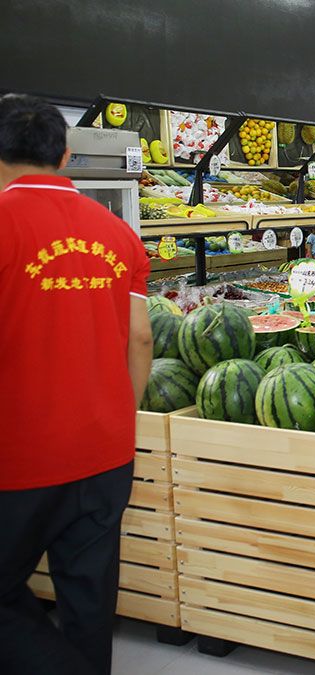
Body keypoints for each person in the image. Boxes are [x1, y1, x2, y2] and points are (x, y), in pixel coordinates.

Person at [0, 93, 154, 674]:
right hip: (106, 451)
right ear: (65, 155)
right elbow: (141, 339)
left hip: (20, 455)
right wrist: (120, 417)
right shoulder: (118, 233)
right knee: (89, 598)